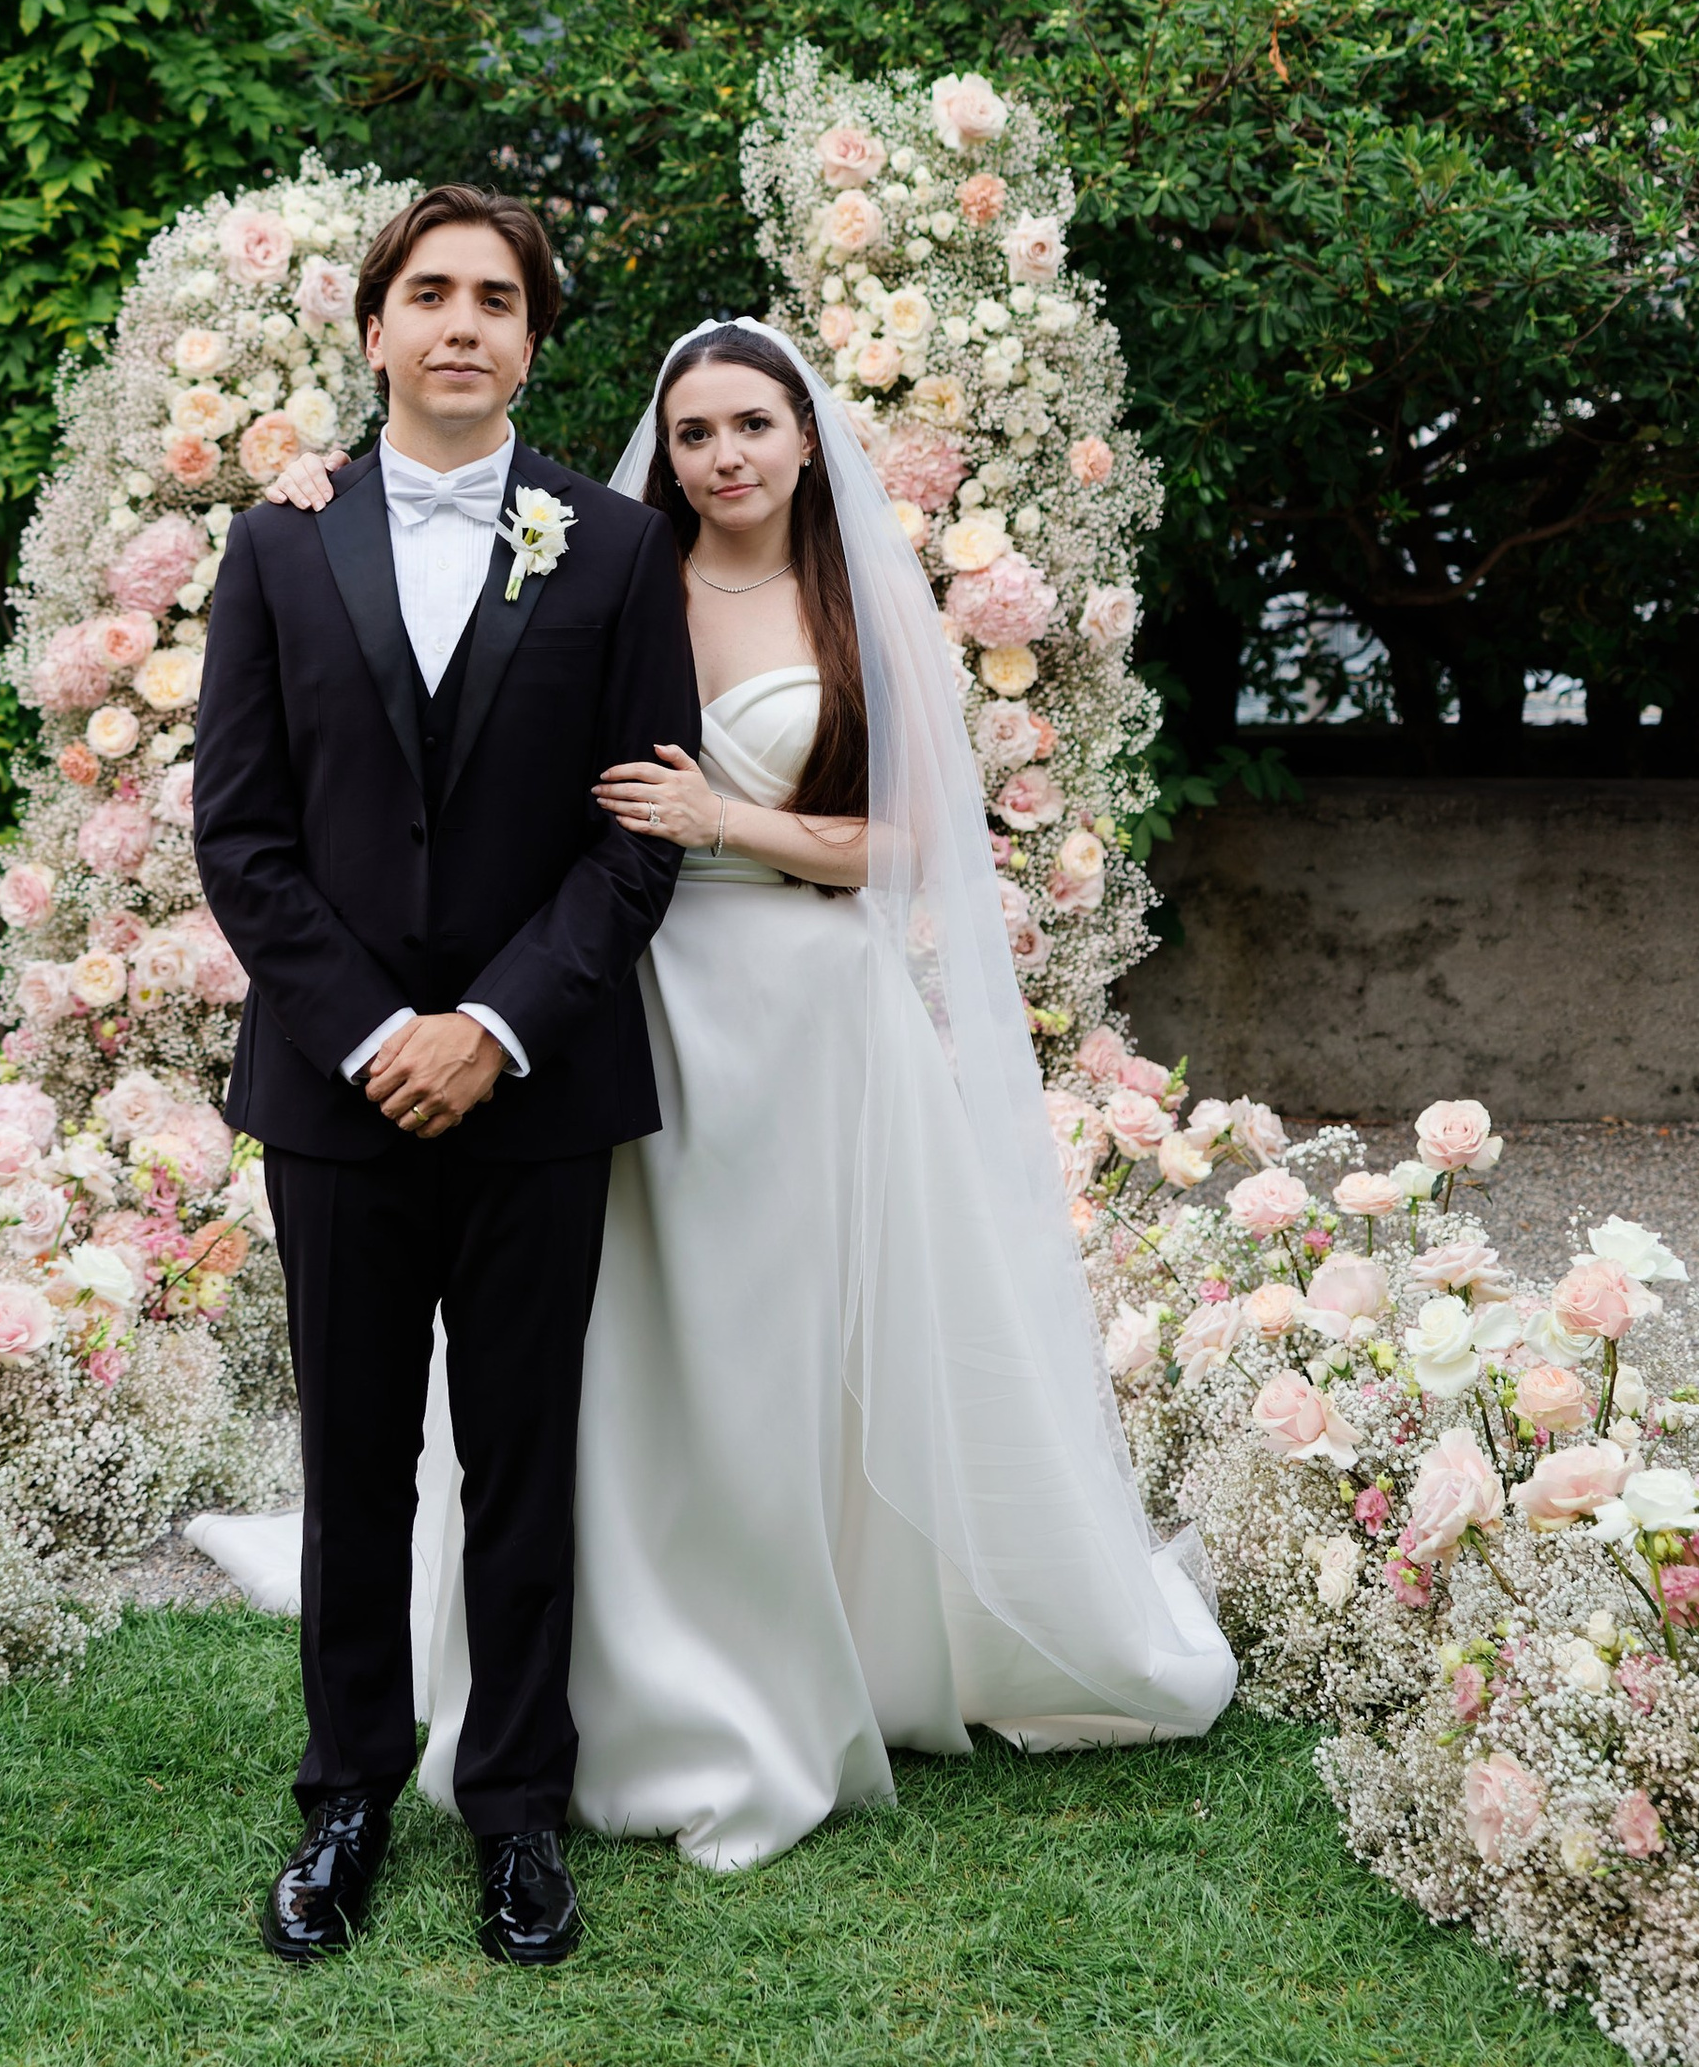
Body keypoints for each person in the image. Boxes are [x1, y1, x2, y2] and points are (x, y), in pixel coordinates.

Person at [268, 315, 1234, 1872]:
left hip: (802, 1012)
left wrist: (727, 815)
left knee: (786, 1349)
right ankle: (603, 1684)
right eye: (697, 429)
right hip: (628, 1002)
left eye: (752, 427)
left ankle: (798, 1663)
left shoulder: (851, 603)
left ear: (805, 440)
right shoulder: (605, 568)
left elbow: (919, 843)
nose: (724, 455)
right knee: (623, 1361)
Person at [189, 187, 697, 1964]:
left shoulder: (616, 547)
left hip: (535, 1086)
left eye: (498, 298)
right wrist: (370, 1031)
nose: (463, 323)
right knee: (354, 1455)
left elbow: (639, 839)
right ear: (375, 327)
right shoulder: (275, 545)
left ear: (534, 339)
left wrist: (487, 1028)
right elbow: (240, 837)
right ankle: (343, 1792)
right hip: (332, 1094)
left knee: (525, 1452)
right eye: (432, 294)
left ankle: (516, 1811)